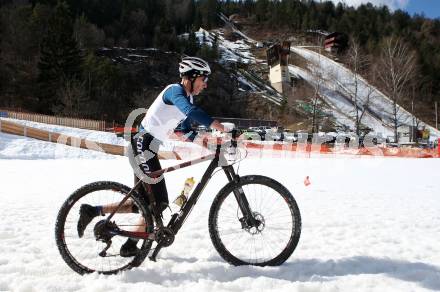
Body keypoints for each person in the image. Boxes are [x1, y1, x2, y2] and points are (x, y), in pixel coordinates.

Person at [76, 57, 228, 257]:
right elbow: (191, 112)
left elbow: (183, 129)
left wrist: (205, 141)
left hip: (147, 148)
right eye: (203, 79)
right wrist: (218, 126)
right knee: (158, 202)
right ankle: (130, 243)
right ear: (190, 77)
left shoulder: (188, 99)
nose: (205, 84)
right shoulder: (175, 91)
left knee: (144, 204)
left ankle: (94, 212)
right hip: (142, 144)